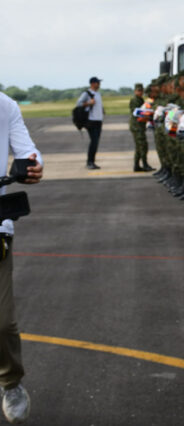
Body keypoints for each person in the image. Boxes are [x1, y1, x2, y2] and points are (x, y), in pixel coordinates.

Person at [0, 91, 44, 424]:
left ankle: (10, 382)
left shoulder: (5, 106)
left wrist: (32, 164)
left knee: (2, 322)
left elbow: (27, 149)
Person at [76, 76, 104, 169]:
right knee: (94, 141)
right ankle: (89, 162)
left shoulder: (98, 94)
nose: (99, 84)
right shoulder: (87, 93)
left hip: (98, 121)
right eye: (97, 82)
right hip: (91, 121)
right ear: (92, 83)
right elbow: (78, 103)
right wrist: (88, 103)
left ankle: (92, 161)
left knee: (96, 142)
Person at [128, 83, 154, 172]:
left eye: (141, 90)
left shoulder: (140, 99)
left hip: (139, 126)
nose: (140, 92)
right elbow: (138, 112)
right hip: (137, 127)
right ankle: (145, 164)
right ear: (135, 91)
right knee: (143, 146)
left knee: (139, 147)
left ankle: (136, 165)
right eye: (138, 90)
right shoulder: (135, 100)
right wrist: (149, 115)